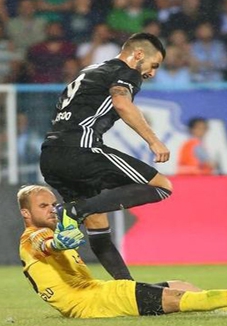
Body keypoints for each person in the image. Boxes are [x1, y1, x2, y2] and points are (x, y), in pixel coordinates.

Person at [40, 32, 172, 282]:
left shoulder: (88, 71)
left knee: (97, 223)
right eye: (154, 65)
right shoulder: (126, 71)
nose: (152, 73)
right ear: (139, 54)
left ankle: (127, 287)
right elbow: (121, 103)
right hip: (80, 149)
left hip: (50, 155)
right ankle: (74, 210)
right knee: (161, 186)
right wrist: (154, 140)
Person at [18, 185, 227, 318]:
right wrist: (58, 244)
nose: (51, 209)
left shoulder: (56, 229)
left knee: (180, 284)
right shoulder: (33, 237)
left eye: (53, 204)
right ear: (26, 214)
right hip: (91, 303)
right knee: (177, 299)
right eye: (43, 206)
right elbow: (44, 245)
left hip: (99, 292)